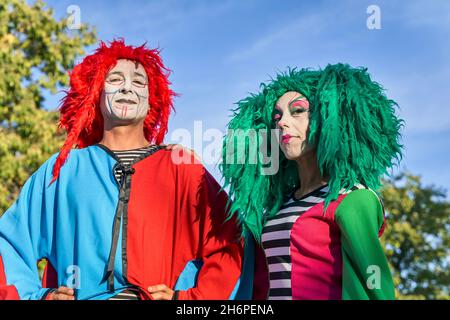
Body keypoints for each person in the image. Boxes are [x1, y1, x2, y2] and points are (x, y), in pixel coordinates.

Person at [0, 39, 247, 300]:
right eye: (115, 79)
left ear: (153, 98)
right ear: (96, 91)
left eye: (139, 82)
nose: (128, 87)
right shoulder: (63, 169)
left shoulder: (181, 167)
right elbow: (9, 244)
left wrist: (186, 299)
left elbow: (231, 242)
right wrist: (39, 296)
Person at [221, 64, 403, 300]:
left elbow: (374, 288)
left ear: (329, 120)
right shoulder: (276, 208)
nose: (282, 122)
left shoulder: (353, 198)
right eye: (277, 116)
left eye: (297, 111)